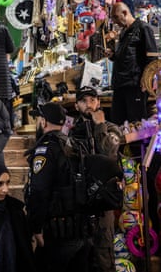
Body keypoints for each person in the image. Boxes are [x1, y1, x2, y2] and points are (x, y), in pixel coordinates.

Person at [25, 102, 93, 272]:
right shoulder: (75, 145)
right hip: (82, 230)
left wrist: (36, 227)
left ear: (44, 122)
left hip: (57, 234)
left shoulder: (46, 149)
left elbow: (39, 191)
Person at [70, 86, 122, 272]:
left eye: (92, 100)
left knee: (103, 255)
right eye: (84, 101)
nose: (89, 104)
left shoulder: (110, 128)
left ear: (99, 103)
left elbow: (109, 153)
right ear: (77, 105)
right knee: (81, 255)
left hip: (103, 203)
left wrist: (99, 126)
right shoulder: (72, 132)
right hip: (80, 202)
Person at [105, 2, 157, 125]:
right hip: (120, 85)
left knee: (136, 124)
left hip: (135, 86)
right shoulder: (123, 32)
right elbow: (126, 57)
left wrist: (146, 79)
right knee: (117, 122)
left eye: (116, 17)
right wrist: (113, 55)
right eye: (113, 19)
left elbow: (152, 59)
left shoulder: (144, 29)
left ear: (125, 13)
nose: (115, 21)